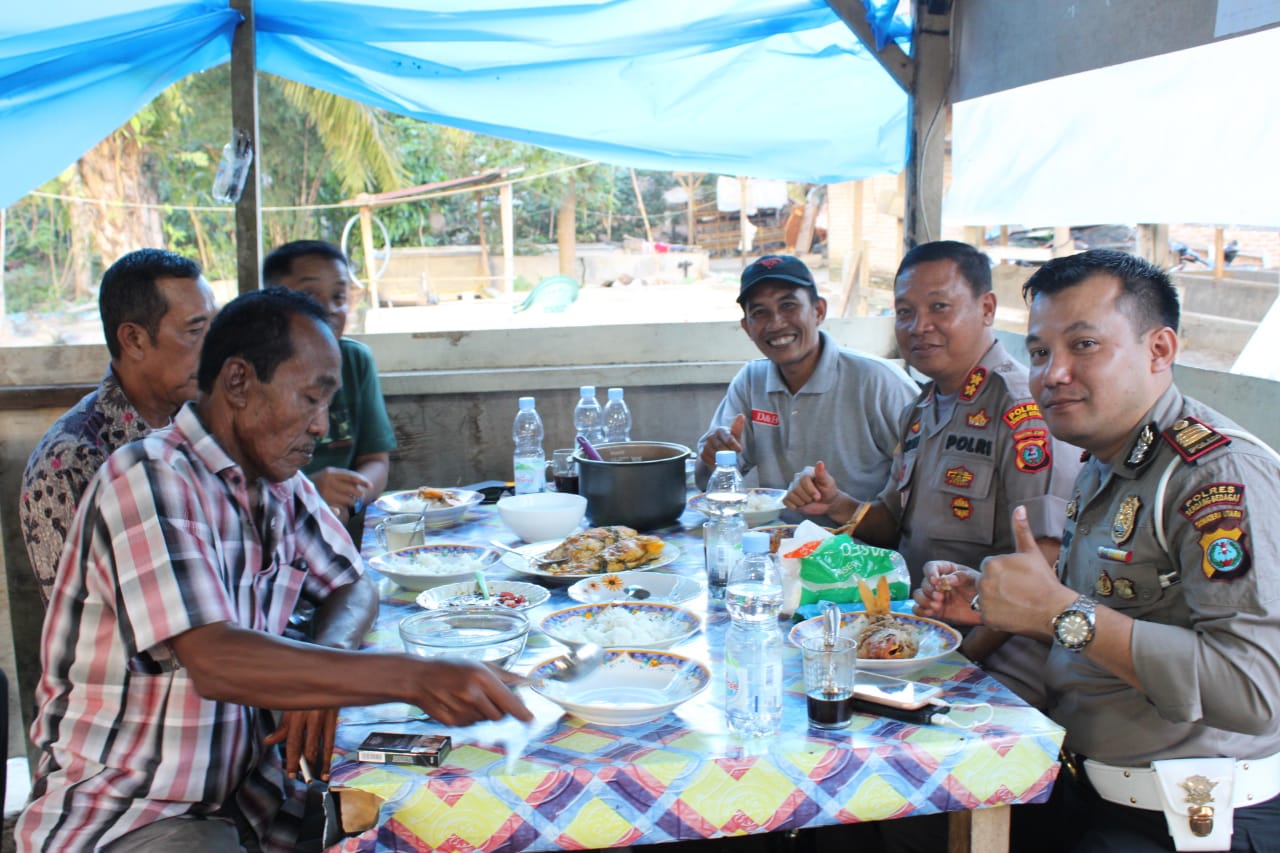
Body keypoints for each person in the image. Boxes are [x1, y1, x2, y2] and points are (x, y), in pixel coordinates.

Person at [16, 288, 531, 852]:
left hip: (253, 801)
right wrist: (412, 676)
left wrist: (326, 670)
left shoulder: (277, 482)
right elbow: (214, 659)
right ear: (238, 383)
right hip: (135, 816)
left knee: (446, 825)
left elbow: (351, 583)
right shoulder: (150, 477)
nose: (322, 426)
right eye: (311, 399)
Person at [917, 250, 1280, 851]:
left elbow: (1254, 690)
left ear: (1159, 350)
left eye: (1083, 345)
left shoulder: (1215, 476)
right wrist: (998, 607)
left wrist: (1059, 614)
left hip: (1185, 820)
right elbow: (1115, 620)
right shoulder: (1107, 458)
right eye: (1038, 352)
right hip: (1087, 789)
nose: (1052, 373)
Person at [785, 241, 1080, 703]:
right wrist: (839, 505)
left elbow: (1042, 566)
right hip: (913, 642)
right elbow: (895, 525)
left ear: (986, 308)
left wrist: (955, 666)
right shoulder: (923, 407)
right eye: (904, 312)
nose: (919, 326)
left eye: (939, 307)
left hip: (995, 666)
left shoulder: (1022, 409)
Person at [19, 248, 217, 605]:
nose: (214, 347)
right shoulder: (72, 461)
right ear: (134, 340)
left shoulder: (203, 425)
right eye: (196, 330)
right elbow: (85, 624)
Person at [695, 254, 917, 523]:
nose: (776, 323)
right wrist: (712, 459)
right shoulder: (751, 381)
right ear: (747, 328)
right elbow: (708, 484)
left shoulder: (878, 381)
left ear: (819, 311)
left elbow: (925, 482)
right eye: (760, 312)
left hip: (863, 551)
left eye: (788, 305)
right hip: (780, 546)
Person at [263, 240, 395, 526]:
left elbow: (376, 461)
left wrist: (350, 498)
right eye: (309, 295)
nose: (329, 309)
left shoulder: (355, 360)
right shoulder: (256, 370)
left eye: (339, 295)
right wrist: (310, 492)